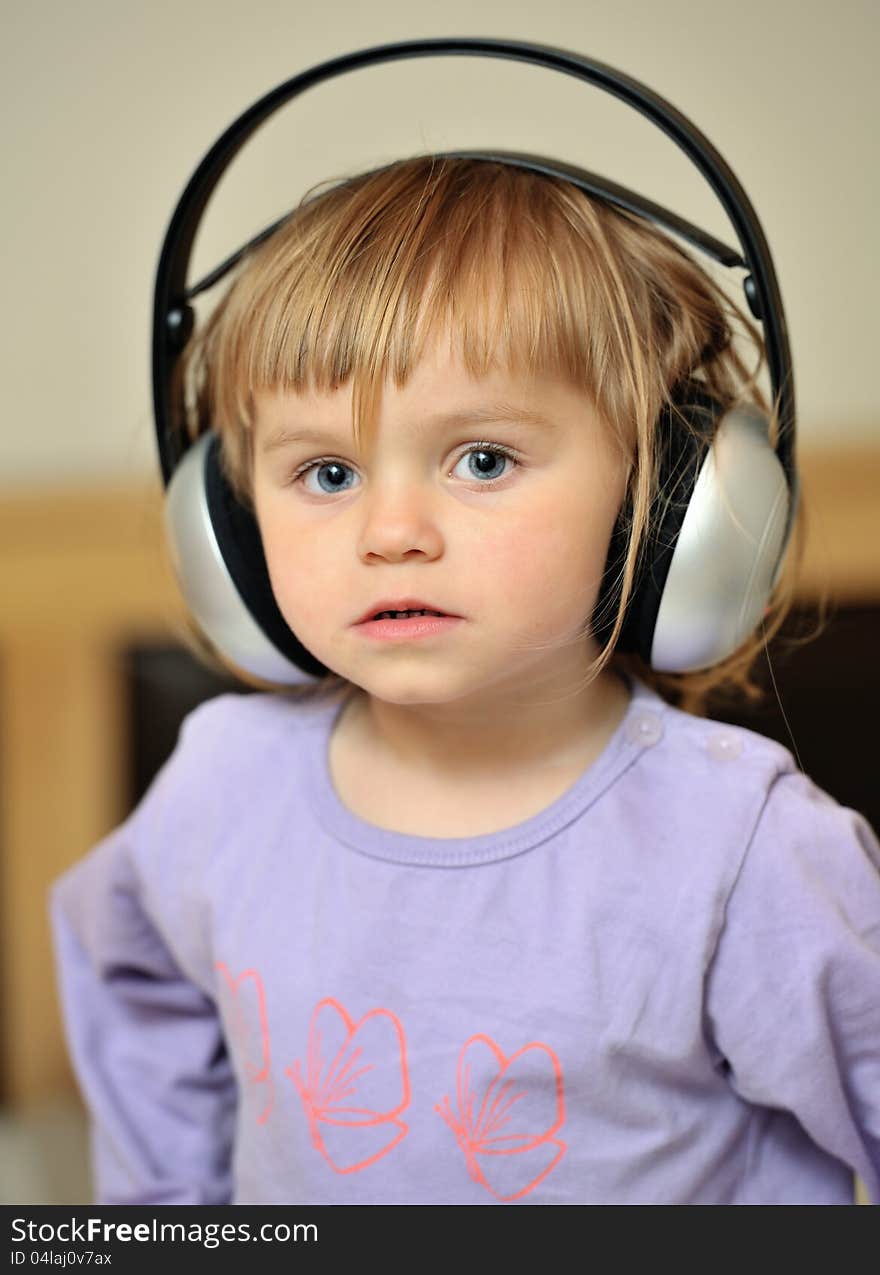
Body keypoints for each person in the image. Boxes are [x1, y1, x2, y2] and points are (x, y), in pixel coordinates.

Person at [51, 155, 880, 1205]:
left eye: (482, 459)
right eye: (327, 474)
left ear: (665, 501)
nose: (390, 533)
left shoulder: (742, 852)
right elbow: (134, 976)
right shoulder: (220, 788)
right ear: (231, 531)